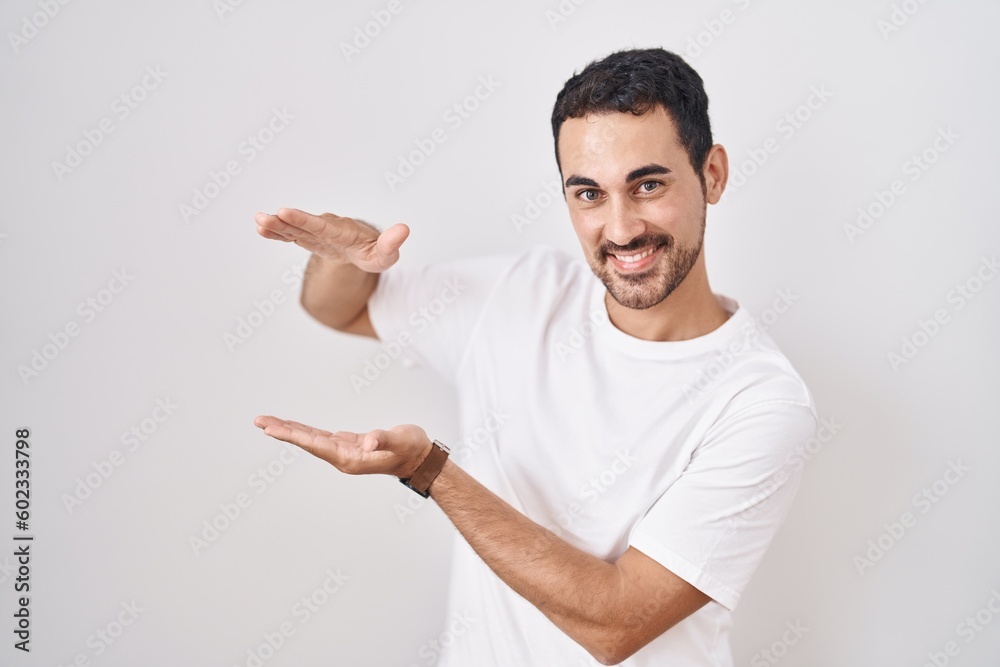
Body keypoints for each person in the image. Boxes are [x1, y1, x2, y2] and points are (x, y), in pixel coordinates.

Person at [252, 47, 817, 666]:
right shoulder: (520, 294)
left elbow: (616, 624)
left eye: (648, 185)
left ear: (712, 174)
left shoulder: (759, 400)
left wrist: (430, 471)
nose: (622, 228)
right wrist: (347, 256)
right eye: (589, 194)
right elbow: (343, 308)